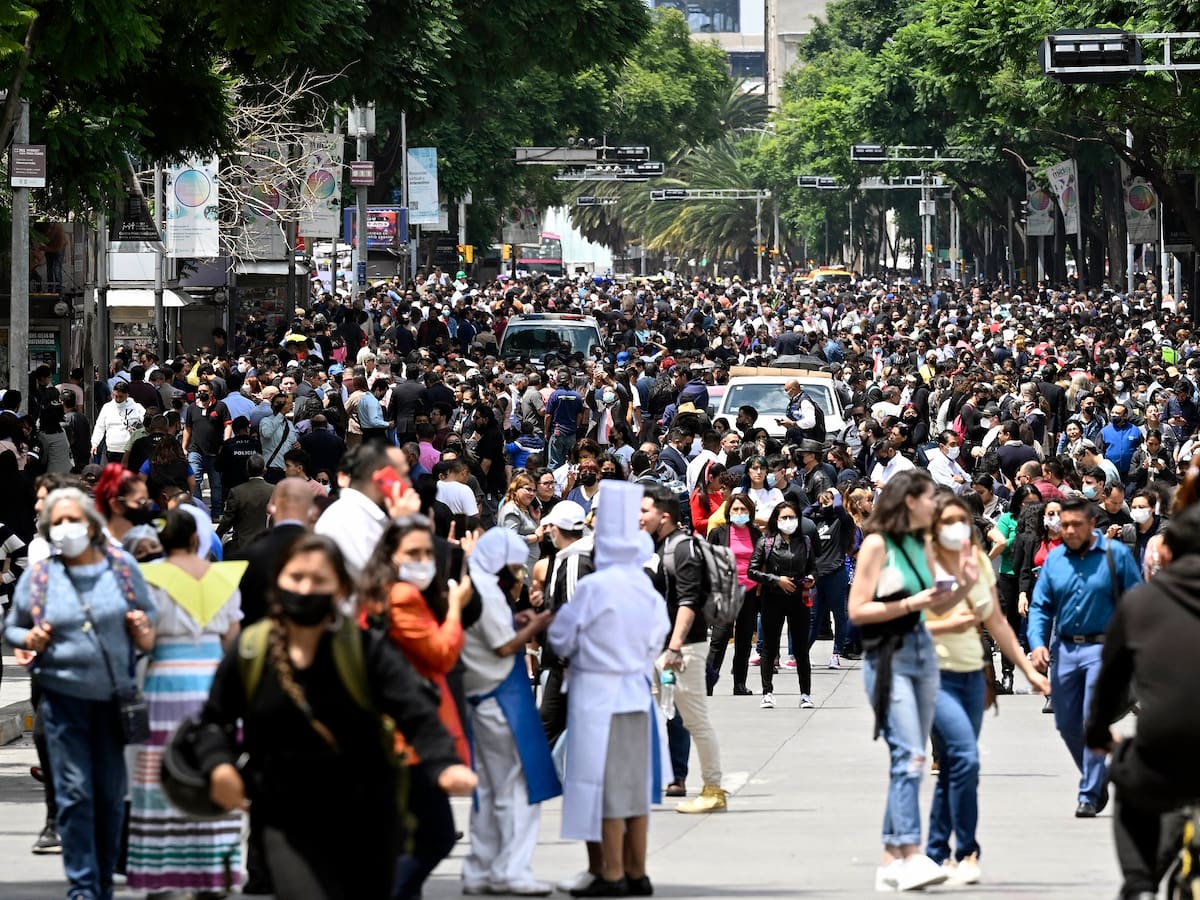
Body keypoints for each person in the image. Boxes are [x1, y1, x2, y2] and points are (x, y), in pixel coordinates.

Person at [193, 534, 477, 899]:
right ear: (277, 580)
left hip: (367, 817)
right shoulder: (252, 650)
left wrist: (444, 764)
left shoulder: (363, 649)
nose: (306, 588)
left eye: (319, 580)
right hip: (285, 817)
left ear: (340, 589)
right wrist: (218, 765)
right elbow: (213, 720)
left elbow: (415, 711)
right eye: (296, 578)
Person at [4, 487, 157, 900]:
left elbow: (149, 618)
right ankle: (84, 887)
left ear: (91, 524)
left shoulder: (122, 567)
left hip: (113, 701)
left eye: (73, 520)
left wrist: (144, 629)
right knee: (74, 796)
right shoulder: (40, 577)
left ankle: (103, 880)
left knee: (108, 797)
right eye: (57, 522)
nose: (66, 528)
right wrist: (30, 637)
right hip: (61, 702)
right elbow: (12, 627)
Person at [847, 469, 976, 893]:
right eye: (929, 500)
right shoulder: (877, 544)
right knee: (910, 757)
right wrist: (910, 603)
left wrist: (963, 586)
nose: (935, 508)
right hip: (888, 656)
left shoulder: (921, 544)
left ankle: (891, 859)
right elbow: (857, 610)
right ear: (909, 501)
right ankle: (908, 853)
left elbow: (933, 604)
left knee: (912, 755)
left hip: (922, 651)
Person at [547, 481, 670, 899]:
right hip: (637, 694)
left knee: (605, 791)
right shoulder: (646, 590)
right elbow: (659, 638)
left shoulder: (594, 587)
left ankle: (613, 873)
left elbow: (561, 639)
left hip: (598, 699)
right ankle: (637, 871)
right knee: (634, 792)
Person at [922, 493, 1050, 885]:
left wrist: (1028, 669)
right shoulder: (917, 565)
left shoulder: (976, 562)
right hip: (932, 676)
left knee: (956, 767)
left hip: (973, 676)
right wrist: (945, 623)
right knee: (965, 759)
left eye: (963, 522)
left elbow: (995, 620)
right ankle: (967, 850)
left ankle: (937, 852)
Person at [126, 510, 244, 896]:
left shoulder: (148, 577)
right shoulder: (224, 578)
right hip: (211, 681)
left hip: (166, 679)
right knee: (209, 769)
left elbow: (145, 640)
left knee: (162, 772)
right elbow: (232, 639)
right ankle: (213, 870)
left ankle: (164, 874)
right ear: (197, 539)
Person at [1085, 504, 1200, 900]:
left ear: (1166, 553)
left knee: (1130, 775)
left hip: (1165, 744)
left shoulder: (1141, 604)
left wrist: (1098, 730)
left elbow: (1109, 684)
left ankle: (1140, 886)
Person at [358, 515, 473, 900]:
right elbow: (441, 653)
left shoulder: (384, 592)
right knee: (435, 837)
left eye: (428, 552)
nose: (423, 560)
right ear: (391, 555)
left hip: (400, 731)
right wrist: (455, 606)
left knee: (408, 839)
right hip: (410, 734)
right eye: (414, 553)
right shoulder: (401, 596)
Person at [1028, 496, 1143, 817]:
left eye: (1076, 525)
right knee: (1066, 724)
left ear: (1093, 524)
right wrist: (1037, 642)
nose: (1068, 531)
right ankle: (1099, 775)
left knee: (1094, 718)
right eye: (1064, 525)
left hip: (1104, 650)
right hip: (1064, 650)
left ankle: (1089, 793)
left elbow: (1138, 602)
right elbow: (1041, 606)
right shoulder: (1055, 560)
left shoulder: (1115, 555)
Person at [461, 528, 560, 896]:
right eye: (514, 567)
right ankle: (511, 869)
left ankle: (481, 868)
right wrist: (534, 626)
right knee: (518, 788)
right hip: (500, 696)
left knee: (487, 789)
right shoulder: (487, 591)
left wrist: (517, 622)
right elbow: (504, 647)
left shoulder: (475, 583)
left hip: (480, 696)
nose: (517, 575)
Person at [640, 483, 727, 813]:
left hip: (683, 650)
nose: (639, 517)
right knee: (657, 713)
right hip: (662, 650)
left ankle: (713, 788)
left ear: (664, 516)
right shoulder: (659, 547)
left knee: (695, 720)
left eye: (644, 511)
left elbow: (689, 601)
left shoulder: (683, 548)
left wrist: (675, 646)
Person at [748, 501, 815, 708]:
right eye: (784, 518)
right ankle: (767, 692)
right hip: (773, 598)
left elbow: (814, 567)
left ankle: (805, 693)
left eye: (792, 517)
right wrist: (777, 580)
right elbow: (752, 570)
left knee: (801, 649)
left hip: (799, 598)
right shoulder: (766, 542)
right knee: (769, 647)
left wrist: (812, 578)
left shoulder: (805, 542)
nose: (788, 521)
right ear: (776, 521)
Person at [704, 493, 761, 696]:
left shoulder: (756, 535)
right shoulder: (719, 533)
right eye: (735, 509)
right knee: (719, 639)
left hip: (750, 592)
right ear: (728, 512)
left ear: (750, 512)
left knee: (744, 640)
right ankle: (707, 683)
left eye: (743, 510)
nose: (739, 513)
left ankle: (740, 683)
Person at [993, 484, 1042, 693]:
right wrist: (1021, 532)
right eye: (1027, 504)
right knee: (1010, 626)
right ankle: (1007, 673)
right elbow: (1001, 545)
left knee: (1039, 625)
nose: (1031, 508)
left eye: (1034, 504)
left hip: (1035, 578)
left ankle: (1041, 672)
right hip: (1010, 577)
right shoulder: (1007, 519)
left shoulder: (1043, 522)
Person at [806, 487, 857, 669]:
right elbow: (803, 515)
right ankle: (803, 653)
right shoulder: (814, 521)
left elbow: (838, 509)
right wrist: (817, 503)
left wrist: (834, 495)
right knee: (814, 617)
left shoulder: (843, 521)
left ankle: (836, 654)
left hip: (836, 573)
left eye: (829, 500)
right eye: (822, 499)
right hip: (817, 576)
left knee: (839, 616)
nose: (825, 503)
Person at [182, 382, 232, 519]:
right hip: (195, 451)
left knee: (216, 484)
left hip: (215, 452)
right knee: (195, 480)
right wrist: (183, 447)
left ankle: (216, 513)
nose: (201, 393)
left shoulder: (221, 406)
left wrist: (226, 443)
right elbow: (188, 429)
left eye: (204, 390)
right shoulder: (192, 408)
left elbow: (228, 425)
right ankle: (200, 512)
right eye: (199, 390)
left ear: (211, 392)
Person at [217, 453, 274, 554]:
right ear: (264, 470)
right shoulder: (275, 490)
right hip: (268, 544)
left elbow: (227, 520)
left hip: (243, 544)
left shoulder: (236, 492)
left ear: (247, 470)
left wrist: (217, 536)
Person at [498, 472, 544, 581]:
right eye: (528, 489)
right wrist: (536, 537)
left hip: (528, 567)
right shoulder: (512, 510)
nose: (532, 494)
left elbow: (534, 531)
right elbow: (510, 539)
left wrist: (536, 519)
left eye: (534, 490)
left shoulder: (525, 509)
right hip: (519, 569)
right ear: (516, 489)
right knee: (520, 595)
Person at [89, 380, 145, 465]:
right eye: (115, 396)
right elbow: (100, 426)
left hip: (130, 449)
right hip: (112, 449)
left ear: (127, 395)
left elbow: (146, 424)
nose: (118, 399)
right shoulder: (107, 407)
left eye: (121, 397)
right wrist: (95, 443)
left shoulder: (136, 407)